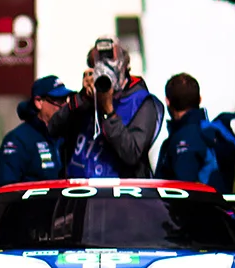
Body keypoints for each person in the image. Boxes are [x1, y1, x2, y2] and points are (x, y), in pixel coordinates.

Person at [49, 38, 161, 179]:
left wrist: (109, 111)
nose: (105, 71)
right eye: (98, 65)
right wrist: (82, 98)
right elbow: (53, 129)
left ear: (124, 66)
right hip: (80, 187)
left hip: (120, 189)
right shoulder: (86, 99)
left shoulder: (141, 102)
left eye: (110, 64)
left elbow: (132, 153)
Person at [158, 72, 235, 191]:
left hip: (195, 203)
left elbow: (183, 190)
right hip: (220, 202)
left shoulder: (183, 139)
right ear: (200, 99)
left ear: (167, 101)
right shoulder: (213, 133)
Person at [0, 74, 71, 187]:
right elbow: (6, 187)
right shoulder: (18, 140)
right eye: (58, 101)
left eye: (65, 100)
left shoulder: (67, 136)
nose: (64, 106)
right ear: (39, 102)